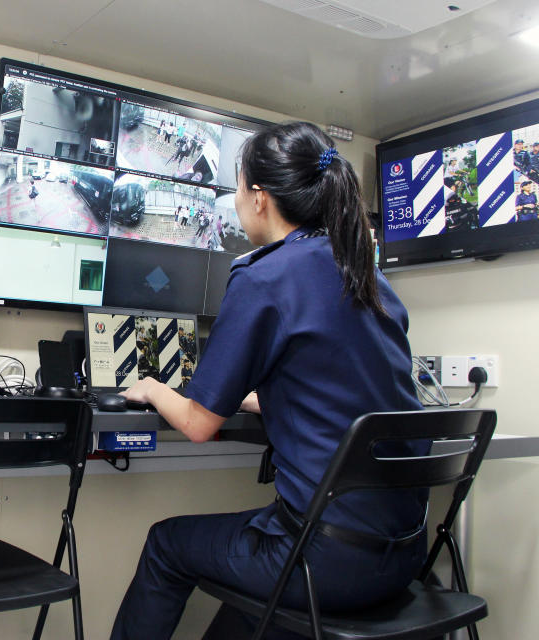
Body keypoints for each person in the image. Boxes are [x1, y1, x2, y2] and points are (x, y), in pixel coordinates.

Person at [110, 122, 425, 640]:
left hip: (325, 561)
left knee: (167, 545)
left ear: (259, 198)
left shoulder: (263, 276)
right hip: (403, 553)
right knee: (258, 584)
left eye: (237, 187)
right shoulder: (369, 277)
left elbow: (197, 424)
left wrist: (152, 387)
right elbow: (348, 390)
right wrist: (273, 400)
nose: (234, 201)